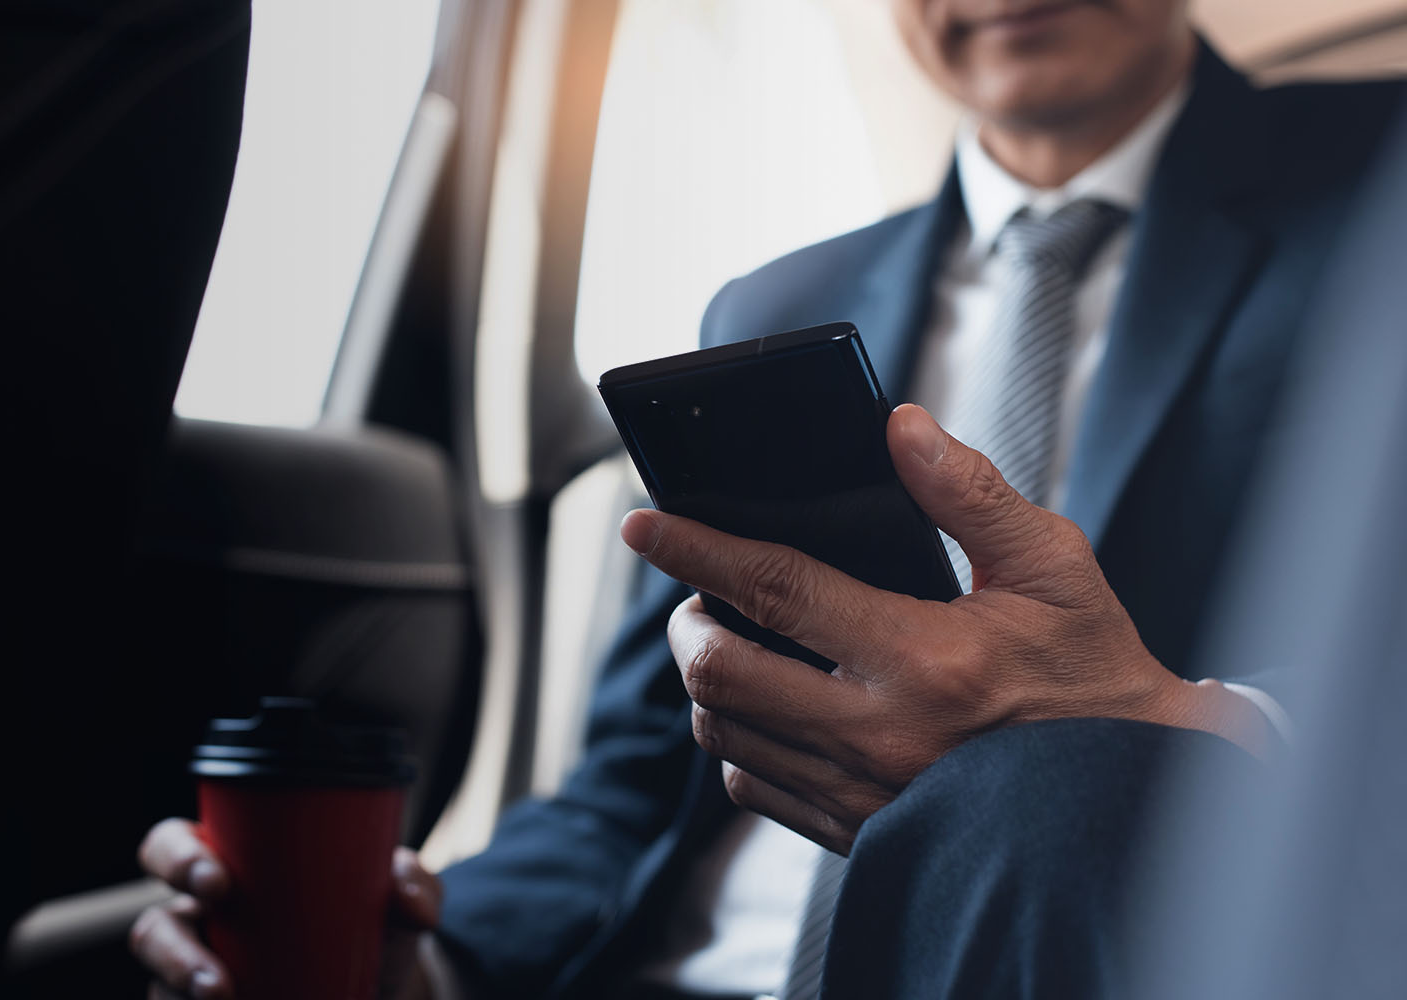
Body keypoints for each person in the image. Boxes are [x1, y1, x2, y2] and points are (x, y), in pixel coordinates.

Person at [131, 2, 1405, 998]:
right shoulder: (775, 308)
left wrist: (1191, 732)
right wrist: (424, 952)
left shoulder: (1380, 185)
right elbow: (635, 775)